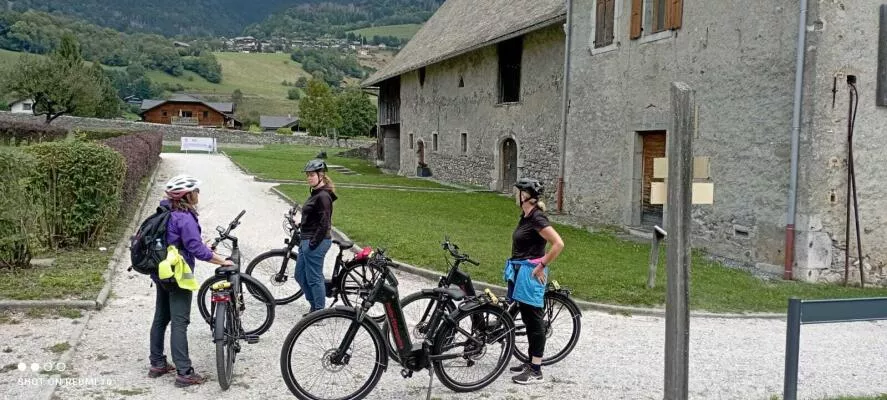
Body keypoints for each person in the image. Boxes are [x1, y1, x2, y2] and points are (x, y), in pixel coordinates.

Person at [148, 174, 234, 387]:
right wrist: (222, 261)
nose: (198, 194)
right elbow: (196, 250)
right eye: (196, 191)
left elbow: (181, 242)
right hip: (179, 275)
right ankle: (184, 372)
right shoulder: (184, 218)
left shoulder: (166, 211)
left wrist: (199, 245)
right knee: (180, 321)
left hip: (162, 272)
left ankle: (157, 363)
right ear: (187, 195)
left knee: (161, 317)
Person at [504, 177, 564, 385]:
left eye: (518, 192)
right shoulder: (526, 216)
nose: (515, 195)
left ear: (526, 196)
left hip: (531, 274)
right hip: (520, 272)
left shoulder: (537, 218)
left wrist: (541, 265)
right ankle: (530, 361)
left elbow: (558, 243)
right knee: (528, 320)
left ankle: (536, 369)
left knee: (535, 321)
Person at [295, 159, 337, 315]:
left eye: (312, 175)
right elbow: (314, 216)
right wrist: (301, 221)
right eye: (308, 175)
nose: (309, 178)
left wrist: (312, 244)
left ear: (321, 175)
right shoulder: (316, 194)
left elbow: (325, 223)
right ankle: (313, 305)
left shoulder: (324, 196)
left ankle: (319, 312)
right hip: (306, 238)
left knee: (314, 277)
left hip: (316, 241)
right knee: (300, 275)